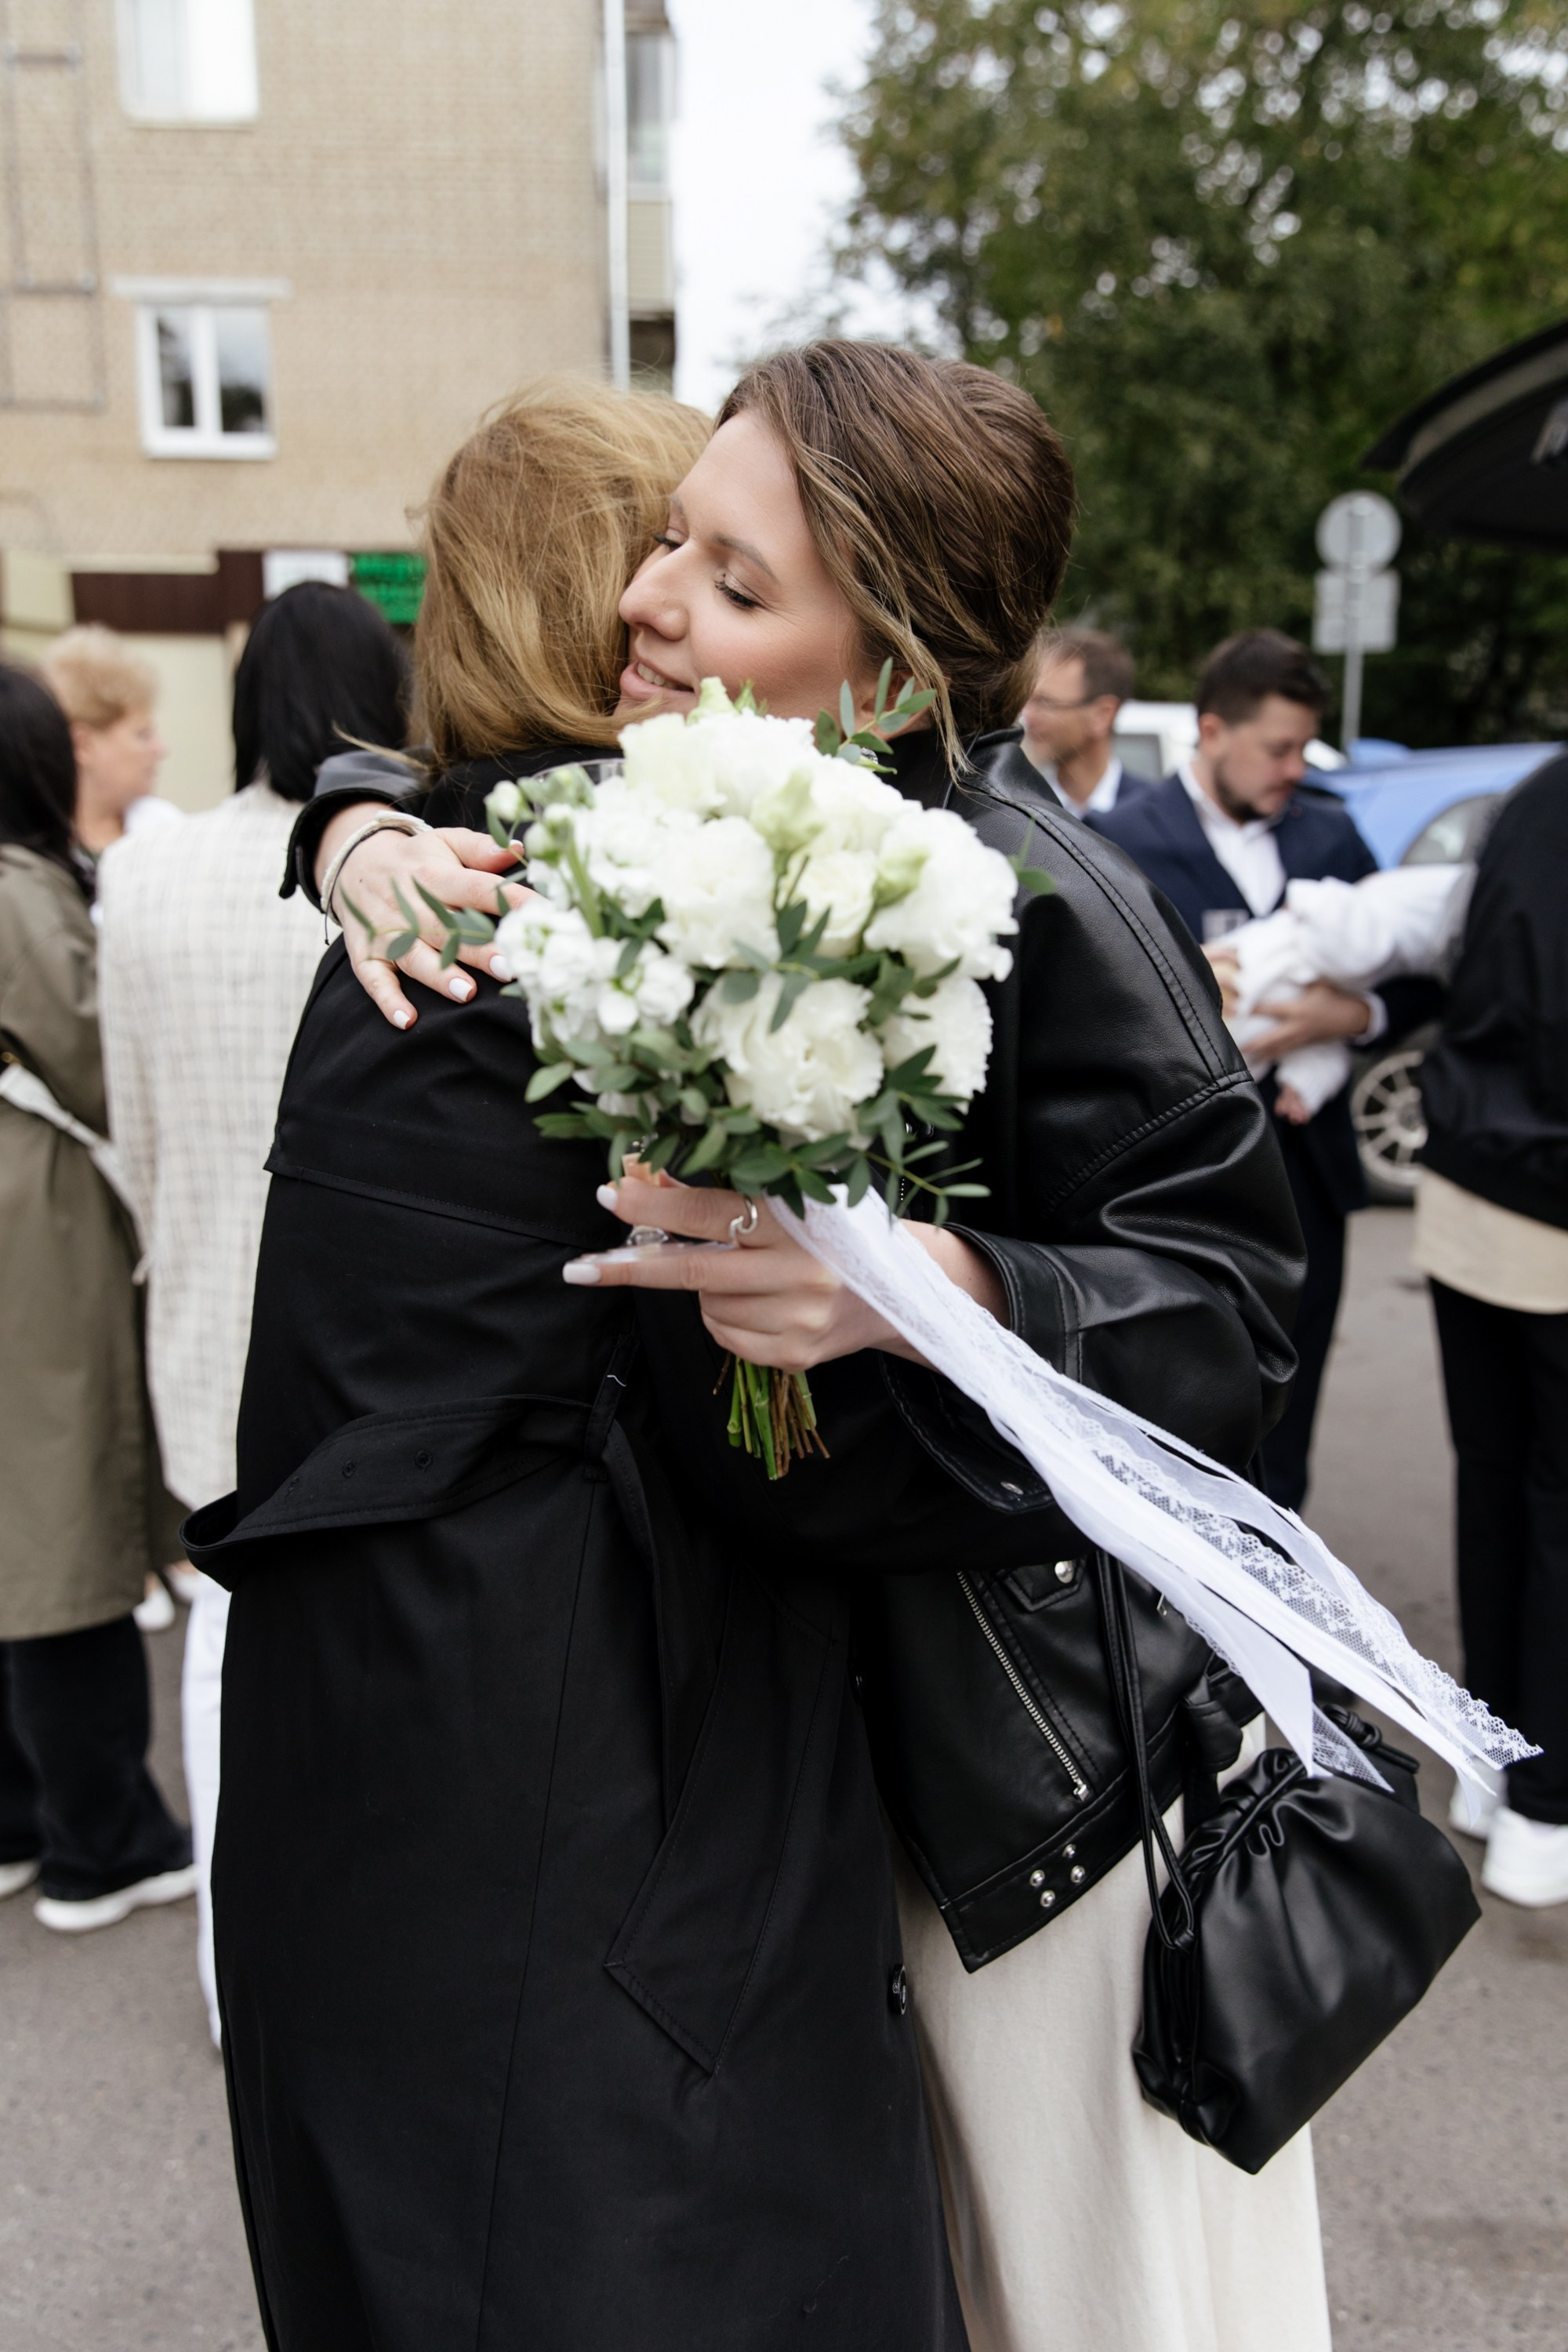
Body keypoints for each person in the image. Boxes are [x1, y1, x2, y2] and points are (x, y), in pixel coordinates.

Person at [308, 345, 1324, 2352]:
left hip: (1037, 1809)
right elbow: (424, 786)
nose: (645, 599)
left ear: (889, 667)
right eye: (670, 536)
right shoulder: (725, 814)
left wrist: (942, 1291)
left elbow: (1230, 1308)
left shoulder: (1046, 898)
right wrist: (348, 829)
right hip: (814, 1779)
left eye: (730, 578)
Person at [183, 379, 979, 2350]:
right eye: (667, 555)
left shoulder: (423, 891)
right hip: (603, 1804)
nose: (673, 605)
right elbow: (773, 1436)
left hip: (364, 1782)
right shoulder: (620, 942)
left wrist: (346, 805)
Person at [96, 580, 412, 2045]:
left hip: (209, 1320)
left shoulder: (143, 880)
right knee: (386, 1664)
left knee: (228, 1668)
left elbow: (136, 1133)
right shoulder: (399, 872)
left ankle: (246, 1984)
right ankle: (376, 1961)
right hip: (371, 1334)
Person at [1092, 628, 1432, 1511]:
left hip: (1307, 1182)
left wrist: (1353, 1016)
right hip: (1171, 1183)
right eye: (1276, 749)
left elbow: (1415, 978)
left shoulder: (1331, 837)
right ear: (1210, 732)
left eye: (1300, 749)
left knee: (1293, 1405)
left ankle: (1284, 1588)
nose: (1293, 769)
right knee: (1172, 1410)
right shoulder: (1118, 841)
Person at [0, 666, 194, 1933]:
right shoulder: (17, 890)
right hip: (34, 1222)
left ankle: (21, 1817)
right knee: (57, 1525)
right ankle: (100, 1836)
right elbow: (90, 1046)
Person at [1414, 754, 1568, 1907]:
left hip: (1469, 1185)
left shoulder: (1532, 796)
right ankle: (1545, 1808)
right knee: (1558, 1509)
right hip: (1553, 1198)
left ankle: (1490, 1761)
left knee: (1496, 1484)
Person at [42, 625, 172, 857]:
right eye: (143, 735)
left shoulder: (169, 829)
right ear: (83, 745)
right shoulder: (40, 849)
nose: (161, 749)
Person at [990, 623, 1145, 817]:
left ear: (1102, 715)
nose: (1029, 717)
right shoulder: (1019, 809)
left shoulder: (1152, 818)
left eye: (1046, 702)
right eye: (1028, 701)